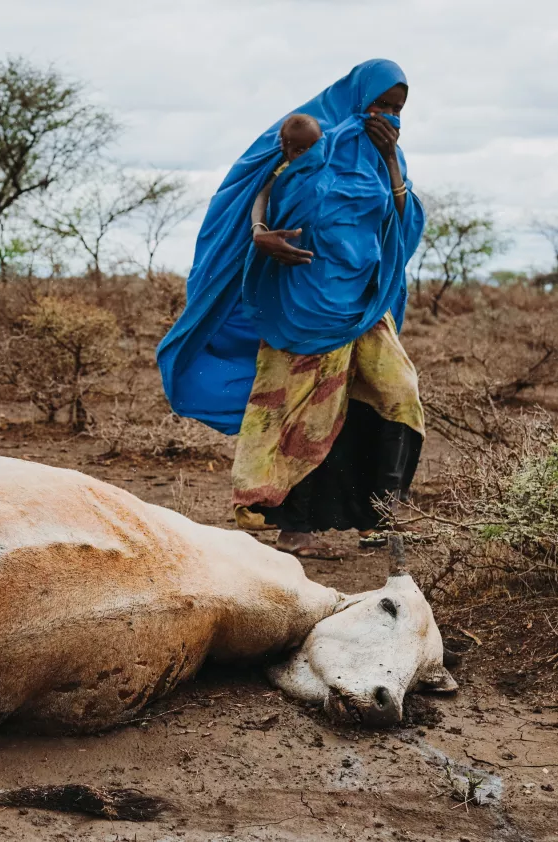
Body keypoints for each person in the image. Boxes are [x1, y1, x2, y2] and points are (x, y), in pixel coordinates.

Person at [157, 59, 425, 560]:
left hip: (364, 302)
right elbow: (261, 187)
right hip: (302, 299)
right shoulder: (310, 132)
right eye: (380, 105)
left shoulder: (387, 156)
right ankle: (295, 529)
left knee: (399, 392)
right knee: (306, 410)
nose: (387, 116)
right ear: (356, 96)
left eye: (396, 110)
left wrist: (391, 164)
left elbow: (402, 220)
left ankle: (382, 517)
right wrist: (261, 234)